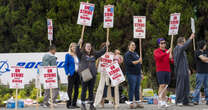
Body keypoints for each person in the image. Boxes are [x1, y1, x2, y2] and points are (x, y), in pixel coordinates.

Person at [76, 39, 109, 110]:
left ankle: (91, 105)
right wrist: (79, 44)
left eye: (90, 46)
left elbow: (101, 52)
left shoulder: (94, 54)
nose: (89, 47)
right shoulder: (81, 55)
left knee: (91, 90)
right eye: (87, 46)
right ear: (84, 47)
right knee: (84, 90)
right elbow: (77, 51)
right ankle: (83, 104)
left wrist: (106, 46)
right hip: (85, 73)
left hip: (93, 74)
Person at [174, 33, 195, 106]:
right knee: (180, 86)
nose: (185, 43)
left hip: (185, 70)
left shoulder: (183, 51)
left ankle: (185, 101)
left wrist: (188, 69)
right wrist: (190, 38)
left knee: (186, 86)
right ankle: (178, 101)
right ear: (181, 42)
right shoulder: (177, 48)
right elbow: (184, 46)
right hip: (180, 70)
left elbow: (185, 61)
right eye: (184, 41)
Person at [154, 38, 173, 107]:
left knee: (166, 86)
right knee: (161, 85)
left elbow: (171, 61)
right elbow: (158, 57)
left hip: (167, 70)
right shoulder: (156, 51)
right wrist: (167, 53)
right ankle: (160, 100)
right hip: (160, 70)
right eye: (161, 43)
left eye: (164, 43)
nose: (163, 44)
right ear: (159, 44)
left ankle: (164, 101)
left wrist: (171, 58)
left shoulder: (167, 51)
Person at [124, 41, 144, 109]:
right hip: (131, 74)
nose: (134, 46)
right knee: (132, 88)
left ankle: (138, 103)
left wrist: (141, 73)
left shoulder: (136, 54)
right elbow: (130, 63)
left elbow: (139, 65)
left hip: (138, 74)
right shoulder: (127, 54)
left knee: (137, 89)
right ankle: (131, 103)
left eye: (134, 45)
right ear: (129, 46)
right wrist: (138, 61)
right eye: (132, 45)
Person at [64, 43, 80, 109]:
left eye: (75, 47)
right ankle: (68, 104)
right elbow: (65, 64)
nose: (74, 48)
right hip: (71, 74)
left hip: (78, 74)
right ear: (70, 48)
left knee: (76, 89)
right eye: (73, 47)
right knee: (70, 89)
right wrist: (67, 72)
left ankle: (74, 103)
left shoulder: (77, 55)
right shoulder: (68, 55)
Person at [192, 40, 208, 105]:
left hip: (207, 72)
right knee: (198, 87)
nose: (206, 46)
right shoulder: (197, 52)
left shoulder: (206, 52)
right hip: (200, 72)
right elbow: (203, 59)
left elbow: (205, 60)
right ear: (202, 45)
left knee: (207, 87)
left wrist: (205, 59)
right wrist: (205, 59)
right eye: (205, 45)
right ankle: (195, 100)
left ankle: (207, 100)